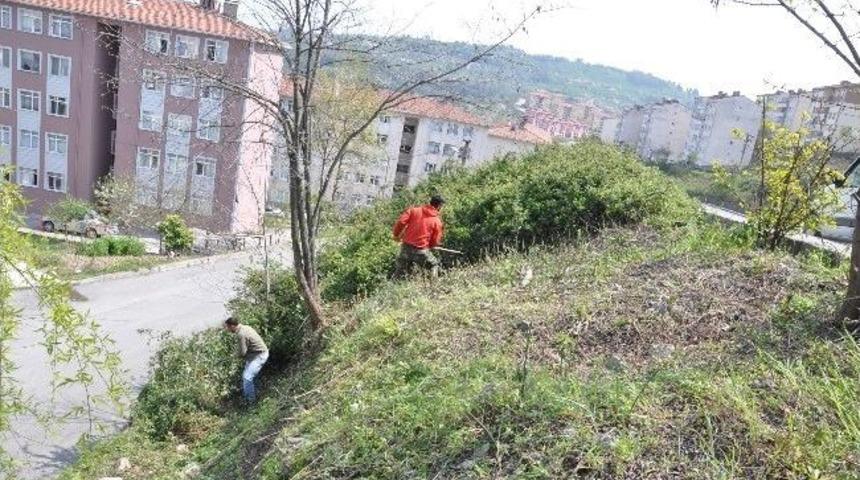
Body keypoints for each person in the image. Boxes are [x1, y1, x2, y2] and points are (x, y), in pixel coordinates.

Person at [392, 194, 445, 278]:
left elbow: (401, 222)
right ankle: (433, 287)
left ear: (430, 202)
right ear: (439, 206)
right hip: (421, 251)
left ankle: (394, 287)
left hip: (405, 248)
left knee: (400, 273)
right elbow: (435, 240)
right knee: (434, 265)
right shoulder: (437, 221)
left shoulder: (413, 211)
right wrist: (430, 246)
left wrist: (396, 235)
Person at [224, 317, 269, 403]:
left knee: (247, 377)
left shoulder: (241, 334)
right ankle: (257, 394)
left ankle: (250, 402)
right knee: (251, 376)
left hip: (259, 356)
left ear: (232, 326)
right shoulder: (246, 327)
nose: (227, 329)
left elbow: (243, 352)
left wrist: (233, 356)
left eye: (228, 327)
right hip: (255, 355)